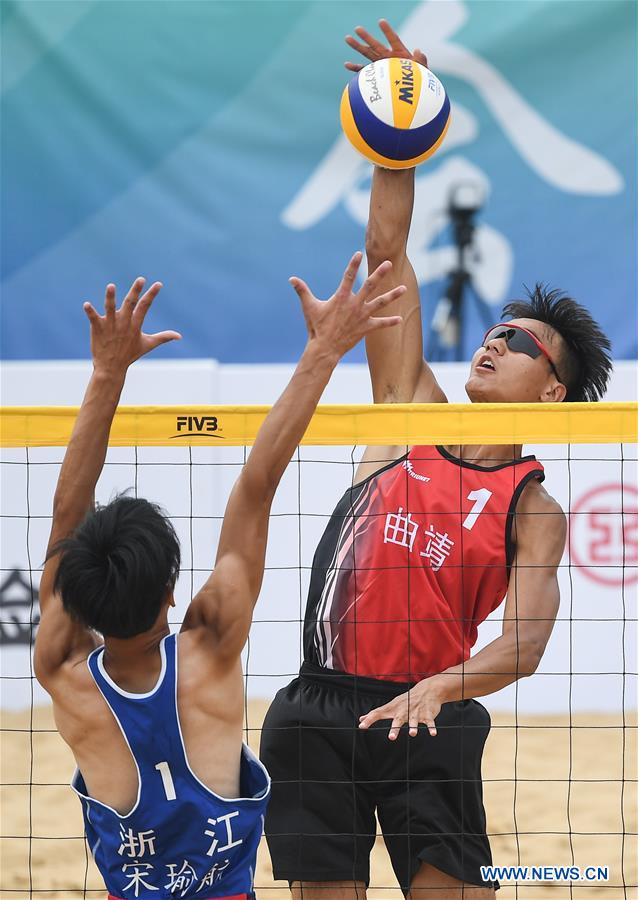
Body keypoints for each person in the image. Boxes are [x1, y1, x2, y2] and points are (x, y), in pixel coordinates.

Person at [260, 19, 613, 900]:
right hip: (323, 707)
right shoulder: (409, 410)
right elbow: (389, 256)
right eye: (494, 330)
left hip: (435, 715)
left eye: (520, 343)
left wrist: (441, 689)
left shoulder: (533, 504)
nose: (493, 342)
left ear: (551, 394)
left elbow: (527, 642)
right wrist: (398, 134)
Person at [33, 260, 405, 900]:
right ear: (173, 592)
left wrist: (105, 374)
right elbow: (257, 489)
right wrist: (323, 350)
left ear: (78, 598)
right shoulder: (209, 647)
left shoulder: (61, 671)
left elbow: (68, 517)